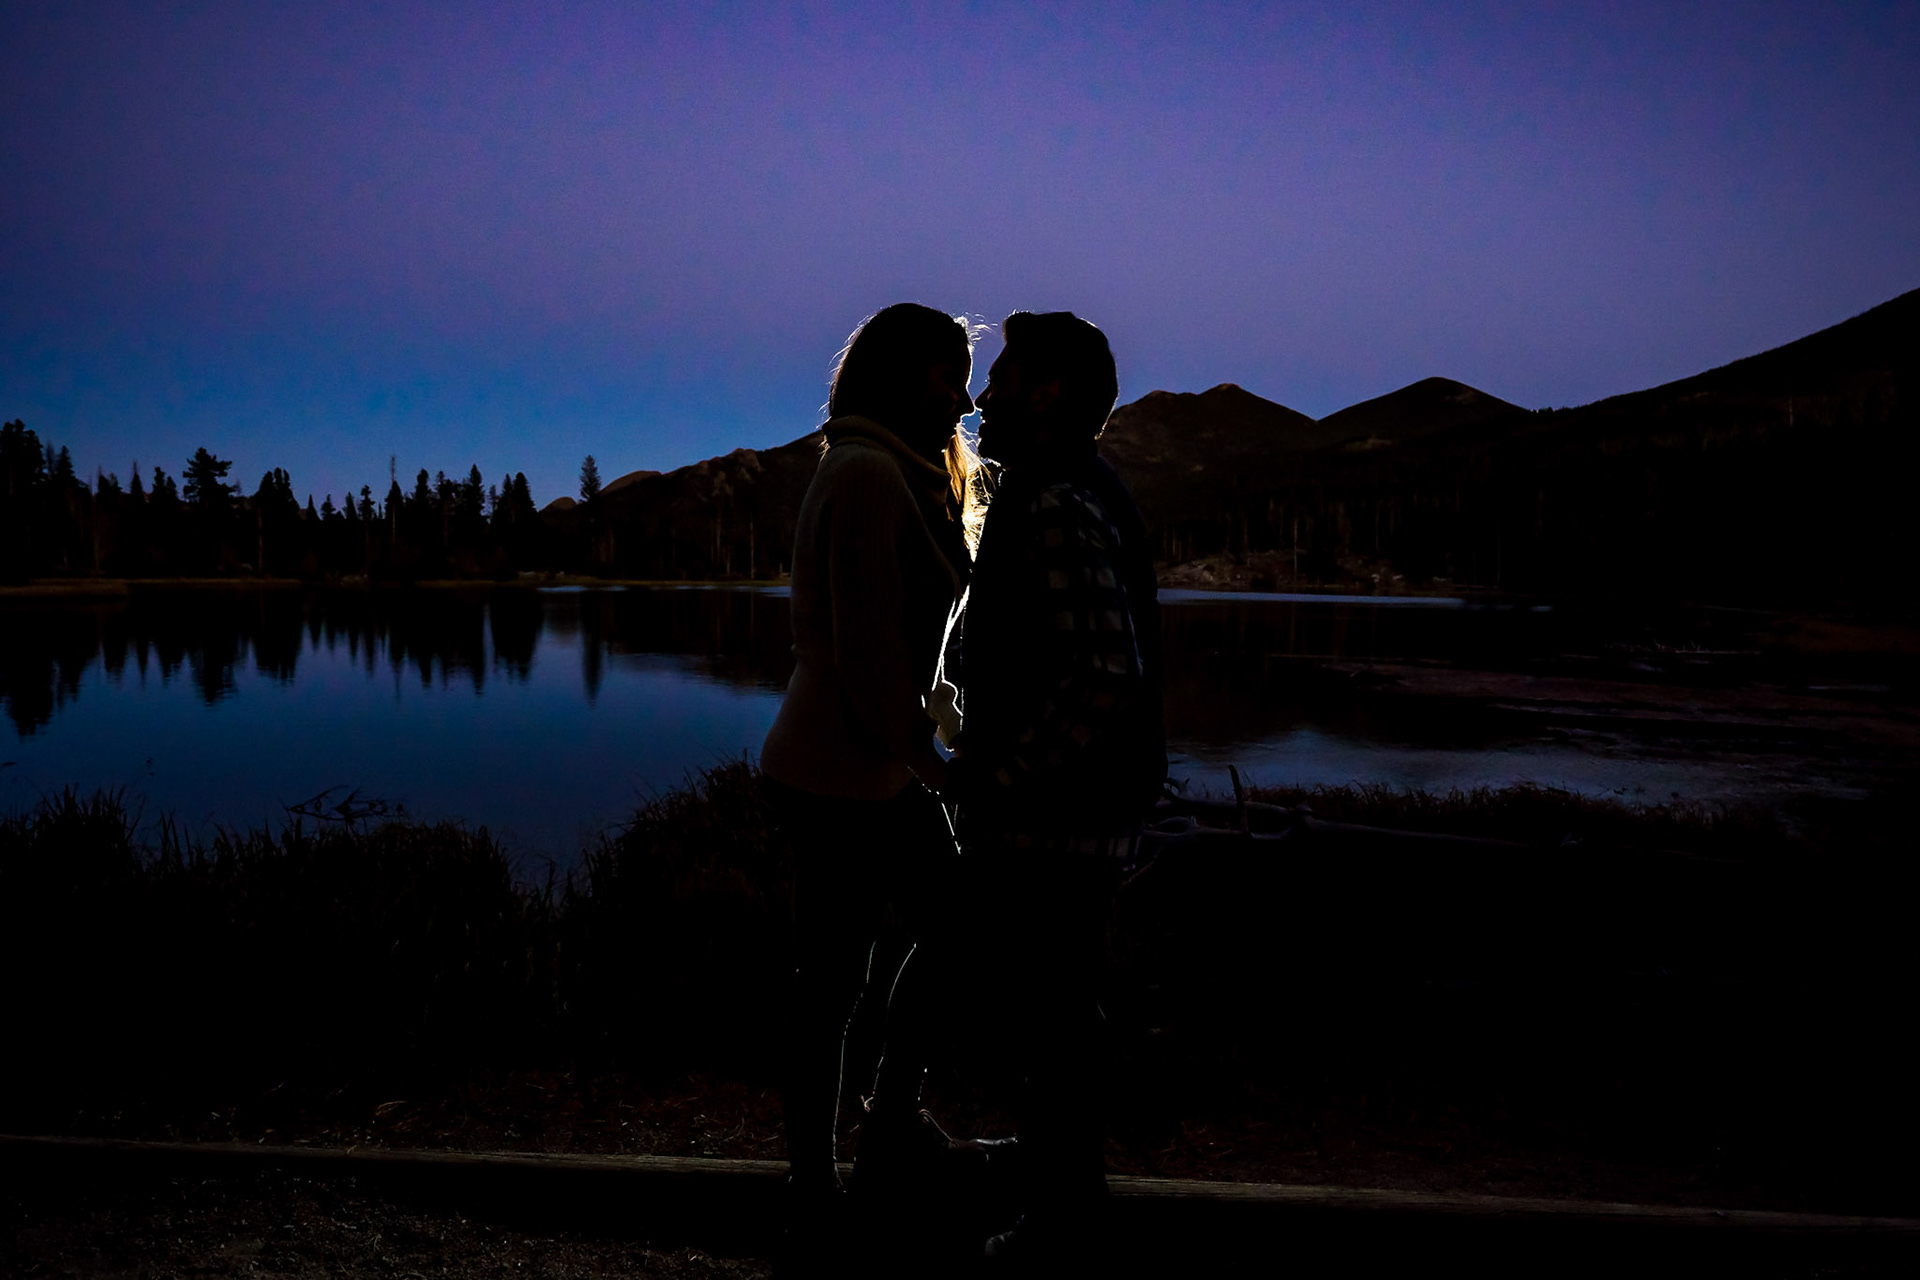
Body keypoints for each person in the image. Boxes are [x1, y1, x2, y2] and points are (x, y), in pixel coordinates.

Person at [759, 303, 983, 1268]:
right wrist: (933, 763)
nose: (964, 398)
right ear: (898, 374)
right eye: (946, 376)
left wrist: (950, 736)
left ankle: (887, 1127)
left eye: (966, 376)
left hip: (878, 764)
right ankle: (815, 1186)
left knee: (957, 924)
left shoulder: (898, 473)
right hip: (833, 769)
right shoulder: (861, 472)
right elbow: (862, 651)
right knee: (832, 985)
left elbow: (907, 654)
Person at [943, 311, 1165, 1267]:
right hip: (1070, 810)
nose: (982, 396)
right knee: (1055, 1008)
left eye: (1002, 377)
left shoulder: (1060, 499)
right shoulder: (1063, 488)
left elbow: (1104, 673)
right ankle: (1050, 1169)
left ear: (1046, 392)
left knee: (1054, 1014)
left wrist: (1002, 772)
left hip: (1059, 819)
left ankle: (1064, 1222)